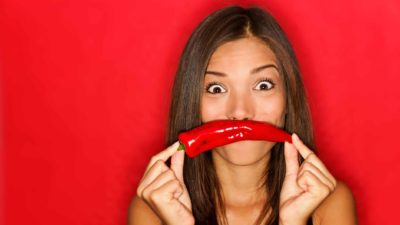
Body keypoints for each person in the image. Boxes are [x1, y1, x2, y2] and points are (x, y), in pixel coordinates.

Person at [128, 5, 358, 225]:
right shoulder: (152, 208)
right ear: (192, 103)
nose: (240, 112)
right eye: (216, 89)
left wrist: (293, 222)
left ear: (289, 98)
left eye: (263, 85)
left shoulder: (330, 203)